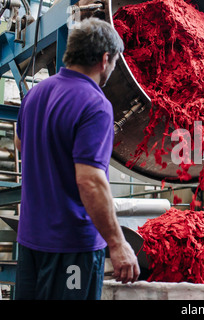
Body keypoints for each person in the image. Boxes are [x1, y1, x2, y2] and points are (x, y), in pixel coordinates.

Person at [14, 17, 140, 300]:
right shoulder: (95, 104)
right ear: (105, 59)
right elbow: (90, 180)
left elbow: (21, 144)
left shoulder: (34, 95)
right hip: (72, 247)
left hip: (31, 241)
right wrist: (118, 244)